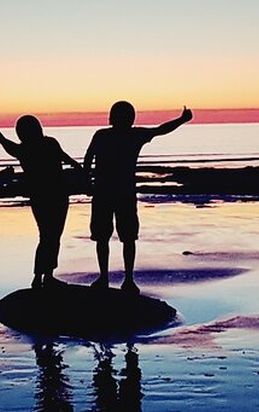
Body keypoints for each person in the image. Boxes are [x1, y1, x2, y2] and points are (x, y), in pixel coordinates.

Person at [83, 101, 193, 294]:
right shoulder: (129, 135)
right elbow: (160, 130)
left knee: (111, 237)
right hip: (118, 192)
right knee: (121, 238)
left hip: (108, 192)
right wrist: (182, 120)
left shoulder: (106, 135)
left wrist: (87, 181)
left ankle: (114, 278)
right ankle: (121, 279)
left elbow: (88, 157)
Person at [0, 107, 82, 289]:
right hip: (54, 195)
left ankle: (44, 276)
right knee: (51, 236)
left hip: (46, 196)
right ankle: (41, 277)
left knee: (49, 236)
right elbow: (65, 158)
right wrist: (78, 167)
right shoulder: (42, 145)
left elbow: (1, 139)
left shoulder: (26, 149)